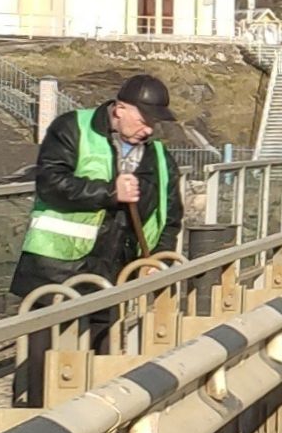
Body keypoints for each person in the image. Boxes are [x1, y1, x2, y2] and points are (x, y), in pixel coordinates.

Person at [13, 73, 186, 304]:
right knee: (50, 330)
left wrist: (157, 261)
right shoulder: (73, 128)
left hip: (117, 279)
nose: (148, 130)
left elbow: (170, 218)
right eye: (143, 121)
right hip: (56, 275)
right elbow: (50, 184)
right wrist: (111, 192)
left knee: (109, 328)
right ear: (120, 109)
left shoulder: (161, 159)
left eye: (153, 123)